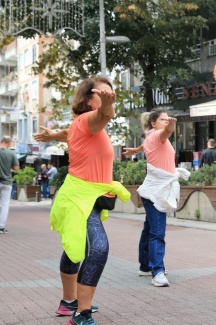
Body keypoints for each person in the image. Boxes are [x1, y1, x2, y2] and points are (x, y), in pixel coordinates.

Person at [47, 77, 131, 324]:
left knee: (78, 249)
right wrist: (107, 107)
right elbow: (103, 117)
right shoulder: (88, 120)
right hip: (78, 197)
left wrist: (53, 136)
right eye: (102, 93)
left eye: (111, 93)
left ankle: (69, 302)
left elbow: (67, 133)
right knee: (98, 249)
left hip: (87, 194)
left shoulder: (79, 125)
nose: (108, 96)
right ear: (87, 99)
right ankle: (80, 314)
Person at [121, 110, 190, 287]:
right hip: (156, 191)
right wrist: (172, 124)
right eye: (163, 119)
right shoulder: (159, 135)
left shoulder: (151, 137)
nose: (166, 122)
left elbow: (147, 146)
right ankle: (157, 271)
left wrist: (136, 149)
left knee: (149, 229)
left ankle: (145, 266)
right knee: (157, 232)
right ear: (153, 123)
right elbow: (168, 131)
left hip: (154, 189)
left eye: (167, 119)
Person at [0, 136, 19, 233]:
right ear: (9, 143)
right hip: (7, 182)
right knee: (4, 204)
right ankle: (1, 227)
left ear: (1, 141)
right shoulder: (11, 153)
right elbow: (16, 168)